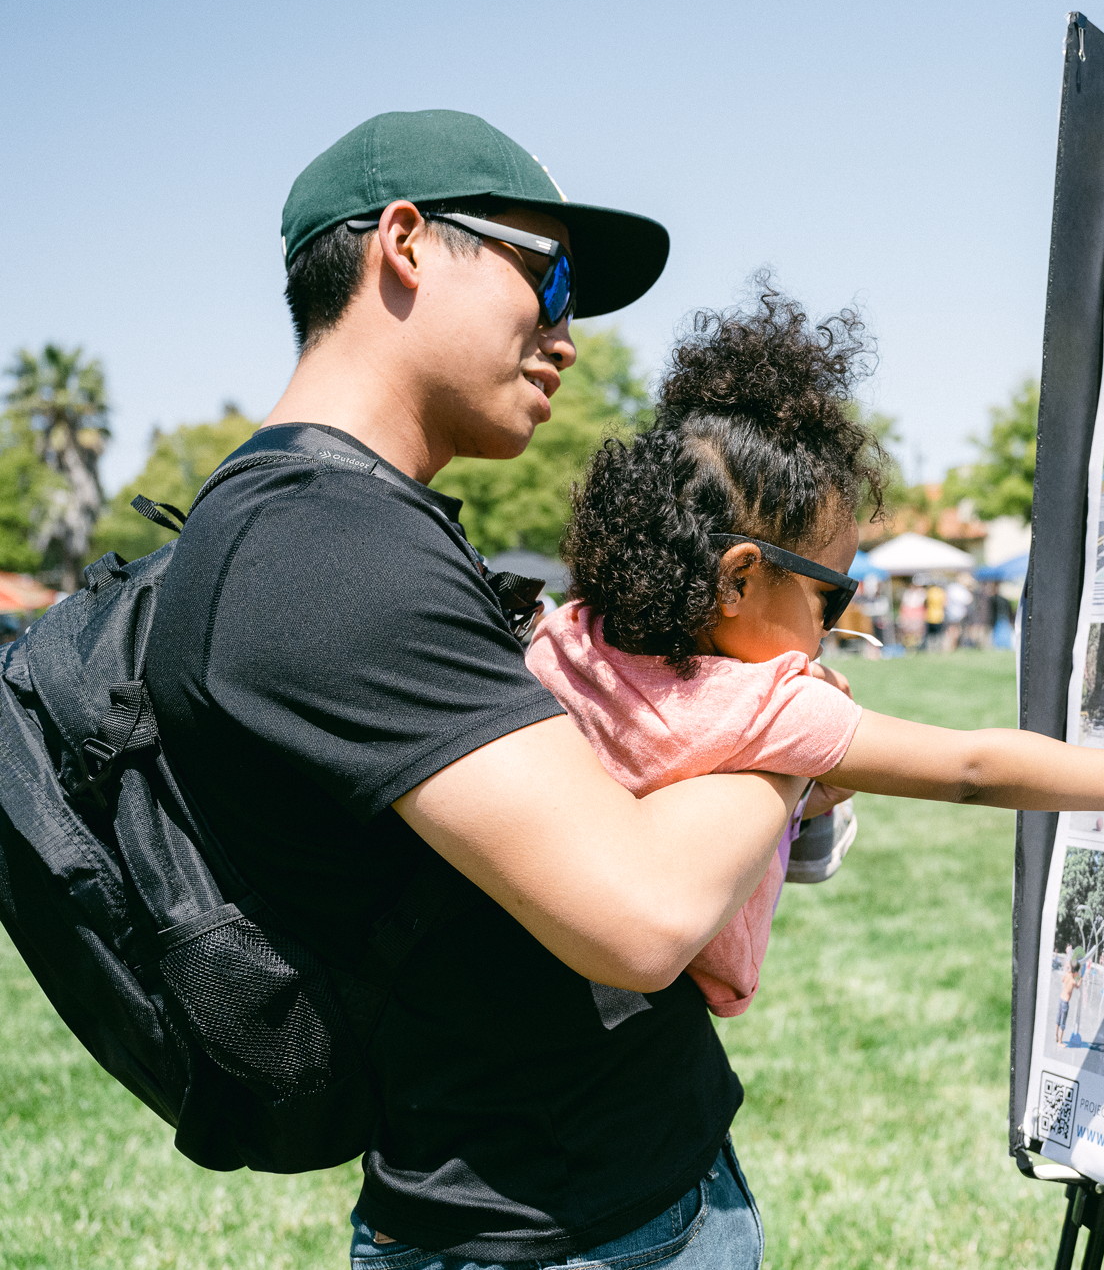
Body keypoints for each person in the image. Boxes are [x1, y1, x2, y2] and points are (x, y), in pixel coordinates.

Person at [145, 110, 786, 1267]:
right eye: (551, 277)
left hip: (581, 1198)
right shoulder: (325, 551)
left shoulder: (329, 520)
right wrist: (794, 735)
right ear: (403, 242)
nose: (569, 336)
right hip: (565, 1232)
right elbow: (640, 913)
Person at [527, 290, 1104, 1022]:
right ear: (737, 580)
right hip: (675, 998)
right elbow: (971, 769)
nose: (830, 627)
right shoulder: (771, 703)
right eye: (829, 597)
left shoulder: (573, 637)